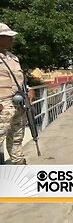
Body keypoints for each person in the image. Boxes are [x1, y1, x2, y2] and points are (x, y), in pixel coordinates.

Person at [0, 23, 31, 165]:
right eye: (8, 37)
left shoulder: (13, 58)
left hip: (17, 104)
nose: (12, 39)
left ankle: (19, 167)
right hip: (2, 106)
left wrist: (28, 90)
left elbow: (18, 79)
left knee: (17, 138)